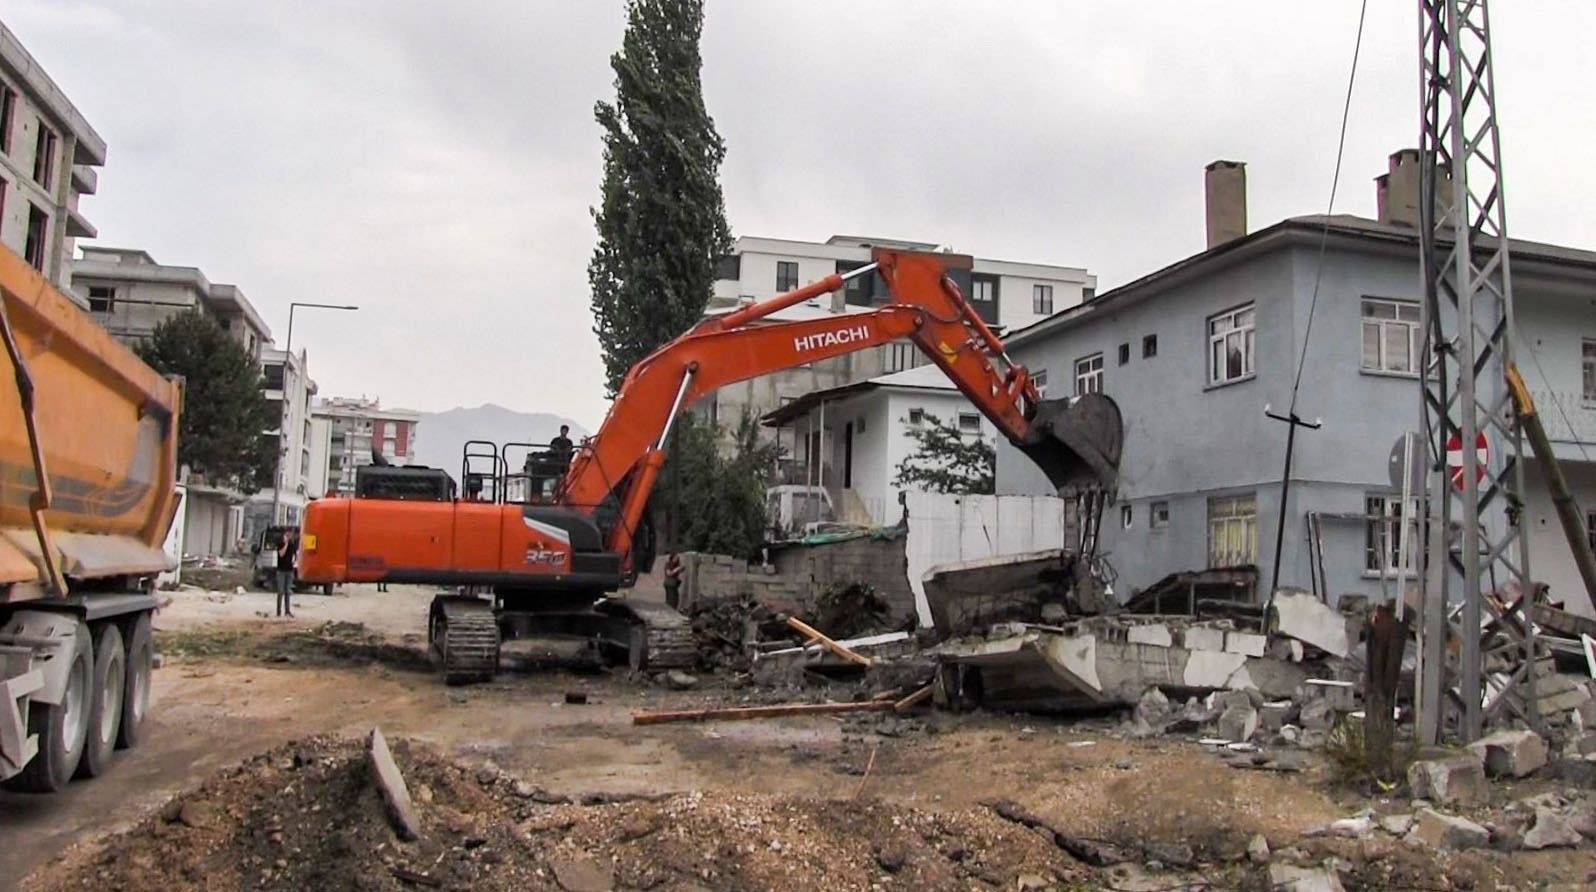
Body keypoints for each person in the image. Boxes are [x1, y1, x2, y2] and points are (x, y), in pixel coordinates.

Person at [275, 529, 299, 618]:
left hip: (289, 570)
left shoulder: (292, 546)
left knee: (287, 591)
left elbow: (295, 555)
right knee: (280, 591)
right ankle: (278, 611)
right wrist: (286, 544)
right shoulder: (280, 545)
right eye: (286, 536)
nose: (288, 537)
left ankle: (287, 611)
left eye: (289, 536)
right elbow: (281, 554)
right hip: (281, 571)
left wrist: (295, 562)